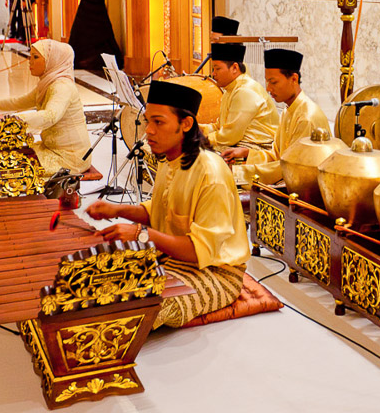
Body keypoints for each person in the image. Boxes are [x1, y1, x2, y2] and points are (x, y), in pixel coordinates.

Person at [85, 80, 249, 329]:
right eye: (148, 121)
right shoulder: (169, 158)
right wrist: (116, 209)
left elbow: (198, 250)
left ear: (186, 123)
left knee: (142, 307)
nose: (148, 131)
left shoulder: (211, 173)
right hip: (169, 257)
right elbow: (160, 212)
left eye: (158, 122)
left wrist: (141, 235)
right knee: (97, 275)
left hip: (215, 271)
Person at [0, 39, 92, 175]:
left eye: (35, 57)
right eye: (30, 56)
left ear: (52, 61)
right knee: (4, 155)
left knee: (10, 167)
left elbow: (50, 116)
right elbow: (18, 102)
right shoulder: (47, 84)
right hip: (51, 148)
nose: (30, 61)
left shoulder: (62, 87)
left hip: (71, 157)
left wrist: (10, 120)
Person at [226, 48, 330, 186]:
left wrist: (238, 173)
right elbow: (276, 156)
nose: (268, 88)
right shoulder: (288, 111)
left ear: (294, 79)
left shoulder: (306, 118)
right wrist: (246, 153)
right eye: (267, 82)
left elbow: (290, 169)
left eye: (273, 82)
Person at [200, 42, 279, 155]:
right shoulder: (230, 89)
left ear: (235, 68)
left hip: (258, 147)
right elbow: (220, 126)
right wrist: (198, 129)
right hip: (239, 142)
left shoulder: (245, 90)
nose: (213, 74)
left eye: (217, 69)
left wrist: (202, 139)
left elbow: (230, 135)